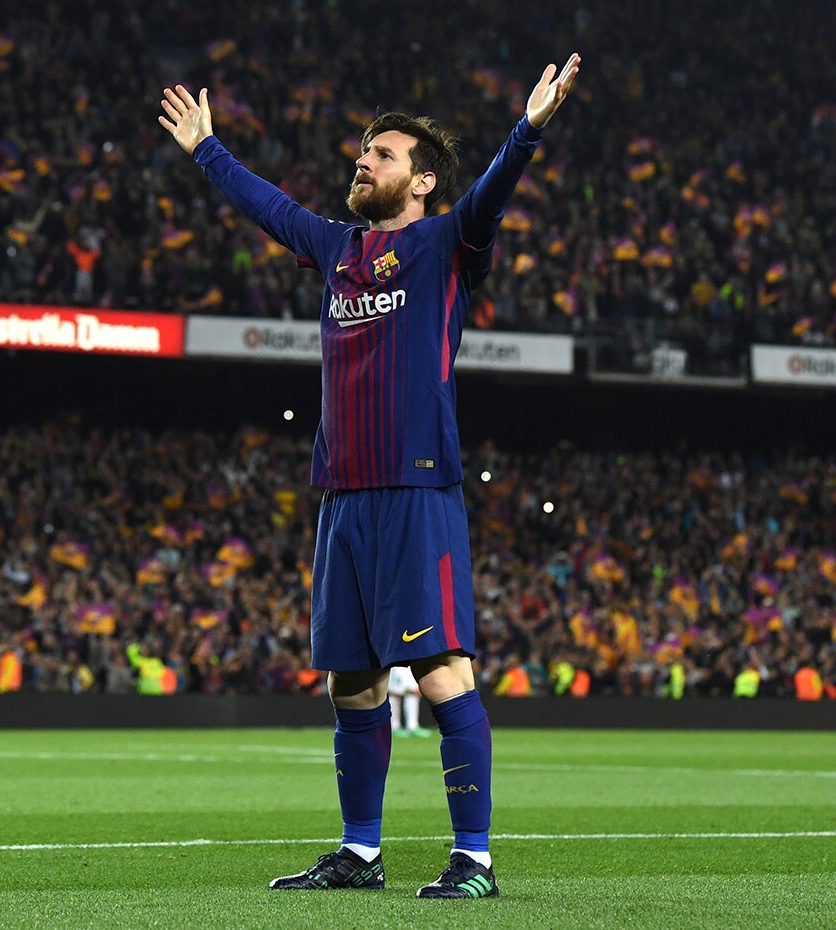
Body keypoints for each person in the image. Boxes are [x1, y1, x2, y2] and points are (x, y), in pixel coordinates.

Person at [160, 51, 580, 899]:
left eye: (382, 155)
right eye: (364, 152)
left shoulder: (444, 243)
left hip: (416, 490)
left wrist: (528, 130)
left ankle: (475, 860)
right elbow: (271, 208)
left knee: (441, 674)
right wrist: (207, 149)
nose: (364, 161)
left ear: (421, 182)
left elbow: (494, 191)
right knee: (350, 682)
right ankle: (360, 852)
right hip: (342, 496)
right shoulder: (339, 247)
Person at [387, 665, 428, 737]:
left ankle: (412, 726)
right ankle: (394, 726)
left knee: (413, 692)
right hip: (396, 664)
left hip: (410, 664)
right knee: (394, 693)